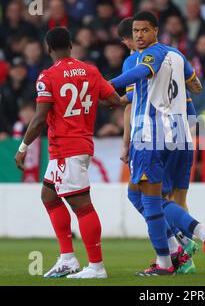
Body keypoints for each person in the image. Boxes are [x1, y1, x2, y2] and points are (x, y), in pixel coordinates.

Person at [116, 16, 205, 275]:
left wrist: (105, 91)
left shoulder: (136, 60)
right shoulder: (177, 55)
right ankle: (179, 250)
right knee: (158, 196)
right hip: (181, 132)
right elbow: (195, 85)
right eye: (136, 31)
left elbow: (130, 101)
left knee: (150, 200)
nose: (139, 36)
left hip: (150, 132)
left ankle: (191, 242)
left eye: (143, 31)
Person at [14, 27, 124, 279]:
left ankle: (96, 267)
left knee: (82, 206)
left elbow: (40, 117)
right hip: (75, 146)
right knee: (49, 196)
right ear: (72, 45)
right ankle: (67, 258)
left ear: (48, 48)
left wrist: (23, 147)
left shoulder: (47, 76)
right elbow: (113, 101)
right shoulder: (91, 70)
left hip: (67, 148)